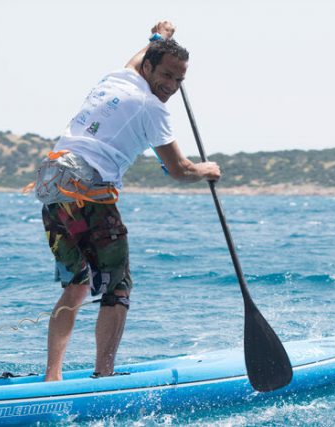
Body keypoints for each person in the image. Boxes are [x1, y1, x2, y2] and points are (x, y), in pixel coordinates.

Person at [40, 21, 221, 382]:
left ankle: (52, 377)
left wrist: (159, 39)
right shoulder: (153, 109)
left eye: (179, 80)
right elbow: (179, 169)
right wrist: (207, 170)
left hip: (53, 184)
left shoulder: (117, 78)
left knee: (76, 285)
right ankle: (104, 376)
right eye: (166, 75)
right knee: (116, 287)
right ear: (150, 69)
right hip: (88, 189)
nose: (170, 86)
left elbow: (138, 58)